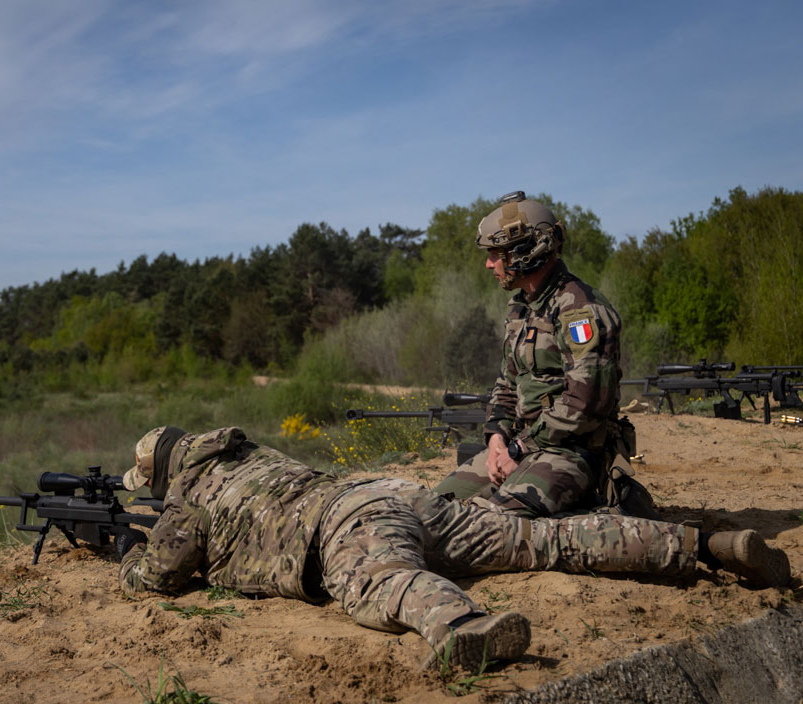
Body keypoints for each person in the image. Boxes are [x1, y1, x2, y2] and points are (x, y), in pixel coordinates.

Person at [116, 425, 791, 672]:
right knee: (543, 540)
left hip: (349, 524)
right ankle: (706, 546)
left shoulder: (191, 493)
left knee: (381, 583)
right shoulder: (249, 454)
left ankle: (464, 626)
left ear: (163, 473)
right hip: (399, 495)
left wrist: (128, 563)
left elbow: (167, 570)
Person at [435, 191, 632, 519]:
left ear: (525, 252)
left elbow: (585, 405)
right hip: (523, 446)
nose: (488, 263)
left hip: (573, 454)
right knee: (432, 508)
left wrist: (519, 447)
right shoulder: (521, 309)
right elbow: (507, 384)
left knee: (493, 523)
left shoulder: (580, 309)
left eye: (495, 254)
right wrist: (497, 437)